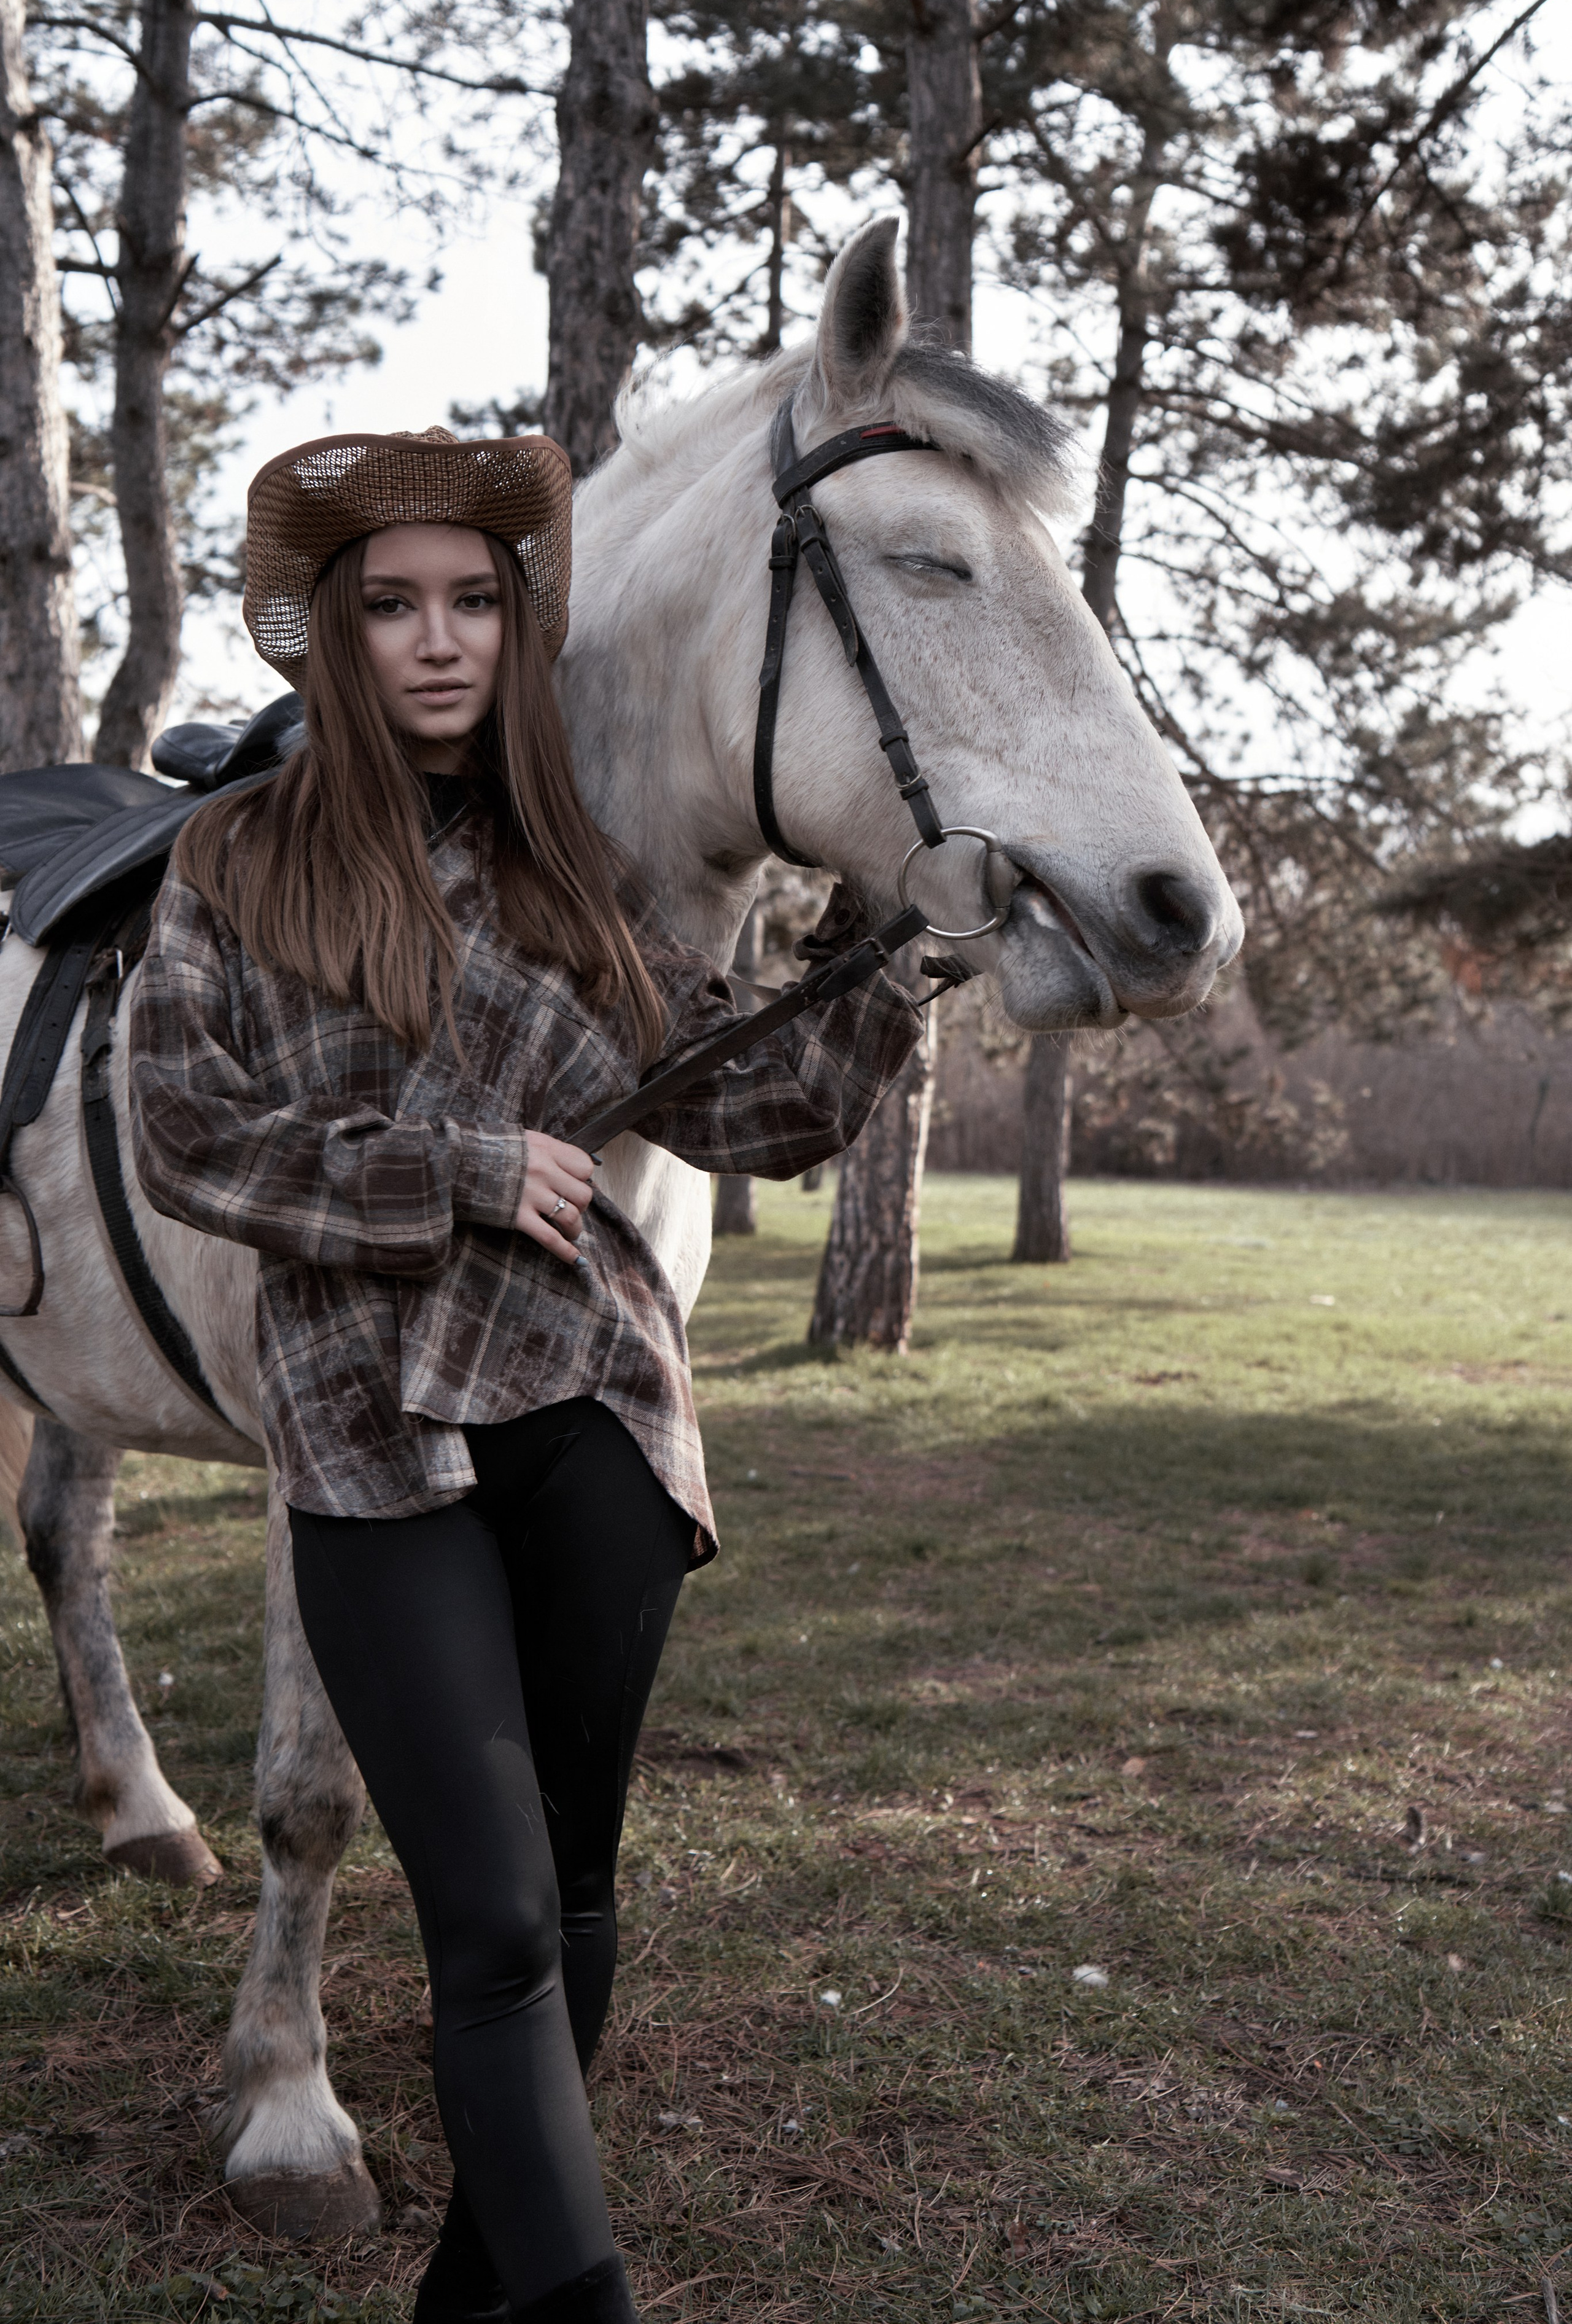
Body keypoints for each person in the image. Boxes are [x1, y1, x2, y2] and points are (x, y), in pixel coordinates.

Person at [128, 426, 921, 2324]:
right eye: (391, 605)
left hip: (595, 1417)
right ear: (330, 632)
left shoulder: (578, 867)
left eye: (475, 603)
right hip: (370, 1437)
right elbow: (187, 1141)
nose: (437, 641)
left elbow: (752, 1109)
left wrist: (894, 970)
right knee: (486, 1918)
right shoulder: (237, 860)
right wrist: (453, 1172)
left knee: (566, 1905)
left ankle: (473, 2299)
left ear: (514, 628)